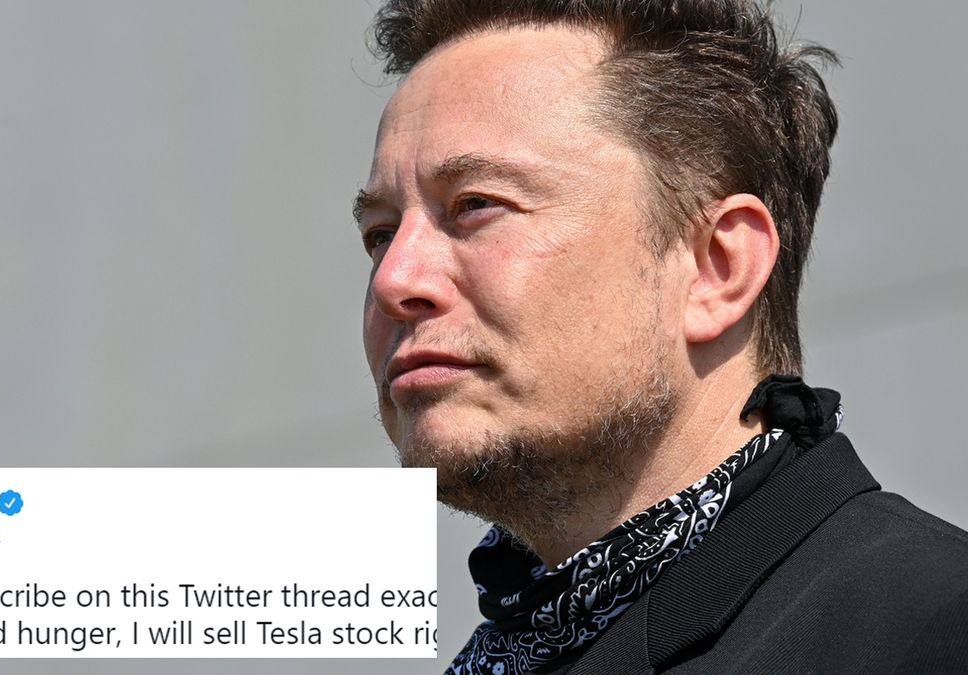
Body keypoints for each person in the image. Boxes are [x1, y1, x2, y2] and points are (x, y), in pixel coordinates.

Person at [353, 1, 968, 673]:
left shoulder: (928, 630)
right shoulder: (518, 648)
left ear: (716, 268)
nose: (393, 279)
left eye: (476, 204)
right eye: (380, 234)